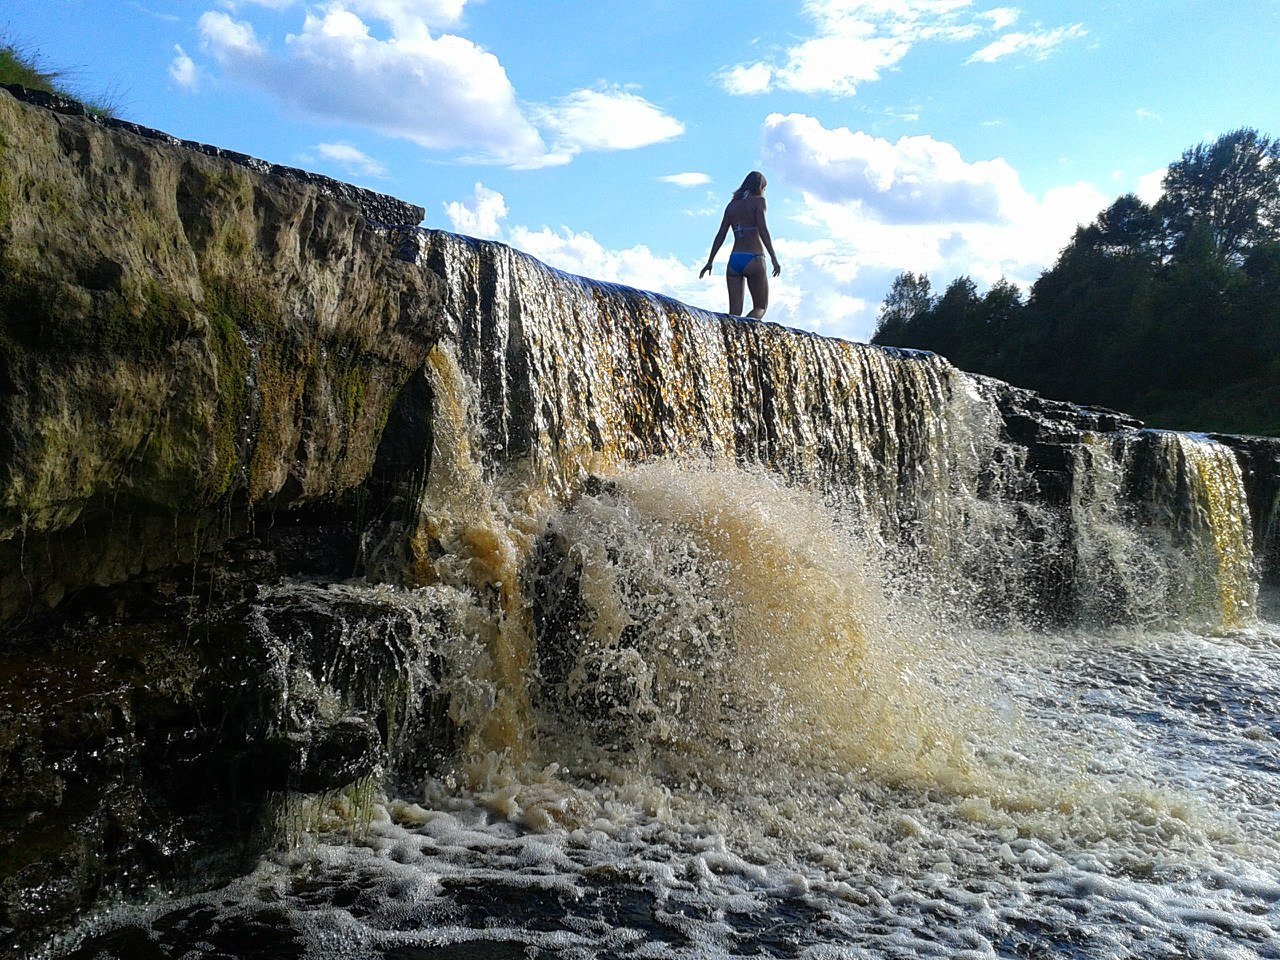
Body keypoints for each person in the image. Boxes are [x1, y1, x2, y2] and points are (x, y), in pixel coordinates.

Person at [699, 170, 781, 319]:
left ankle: (731, 340)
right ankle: (745, 336)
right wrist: (774, 258)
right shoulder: (759, 202)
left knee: (734, 314)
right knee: (760, 307)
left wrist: (710, 261)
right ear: (760, 187)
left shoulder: (731, 206)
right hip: (754, 258)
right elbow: (763, 230)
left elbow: (721, 234)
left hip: (734, 261)